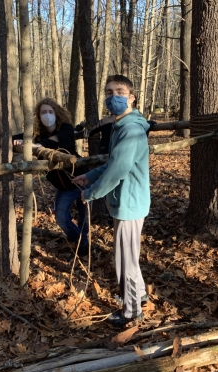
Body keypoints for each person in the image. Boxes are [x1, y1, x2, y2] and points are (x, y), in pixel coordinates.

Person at [73, 74, 150, 327]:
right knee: (128, 255)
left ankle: (131, 311)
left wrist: (92, 192)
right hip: (126, 201)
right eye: (108, 92)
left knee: (124, 260)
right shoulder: (121, 125)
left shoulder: (130, 128)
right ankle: (139, 295)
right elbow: (112, 163)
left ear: (131, 97)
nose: (112, 97)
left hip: (129, 202)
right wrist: (90, 176)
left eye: (119, 92)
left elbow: (119, 171)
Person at [13, 98, 90, 258]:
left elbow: (60, 140)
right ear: (38, 116)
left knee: (84, 216)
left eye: (50, 112)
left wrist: (37, 146)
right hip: (64, 187)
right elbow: (18, 138)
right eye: (43, 112)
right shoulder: (36, 134)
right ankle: (82, 241)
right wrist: (15, 141)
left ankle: (83, 249)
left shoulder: (66, 128)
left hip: (82, 179)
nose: (47, 115)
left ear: (57, 114)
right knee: (61, 218)